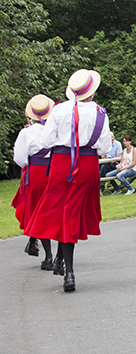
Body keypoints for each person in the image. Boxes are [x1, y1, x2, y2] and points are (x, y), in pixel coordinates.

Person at [25, 69, 112, 292]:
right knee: (72, 213)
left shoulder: (59, 110)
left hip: (61, 163)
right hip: (87, 165)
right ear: (92, 92)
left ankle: (63, 265)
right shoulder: (100, 113)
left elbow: (46, 141)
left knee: (61, 211)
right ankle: (65, 266)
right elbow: (104, 148)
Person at [13, 94, 56, 270]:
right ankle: (57, 255)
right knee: (54, 210)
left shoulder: (26, 132)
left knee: (38, 212)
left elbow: (20, 159)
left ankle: (48, 256)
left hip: (37, 173)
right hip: (54, 171)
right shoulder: (54, 130)